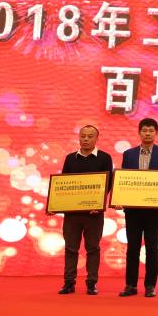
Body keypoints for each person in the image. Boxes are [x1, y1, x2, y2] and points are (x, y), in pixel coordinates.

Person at [119, 118, 158, 298]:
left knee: (152, 248)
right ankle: (130, 285)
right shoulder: (129, 154)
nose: (147, 133)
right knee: (132, 247)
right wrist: (120, 198)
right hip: (132, 210)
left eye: (151, 131)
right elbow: (124, 180)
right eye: (144, 130)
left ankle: (150, 285)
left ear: (156, 133)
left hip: (153, 211)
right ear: (139, 132)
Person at [57, 125, 113, 295]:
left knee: (93, 248)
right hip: (72, 214)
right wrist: (56, 205)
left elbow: (108, 184)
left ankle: (91, 283)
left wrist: (98, 204)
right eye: (83, 136)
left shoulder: (104, 158)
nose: (86, 139)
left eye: (90, 136)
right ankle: (69, 283)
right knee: (70, 248)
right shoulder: (70, 158)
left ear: (97, 139)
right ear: (79, 137)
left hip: (94, 214)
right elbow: (62, 185)